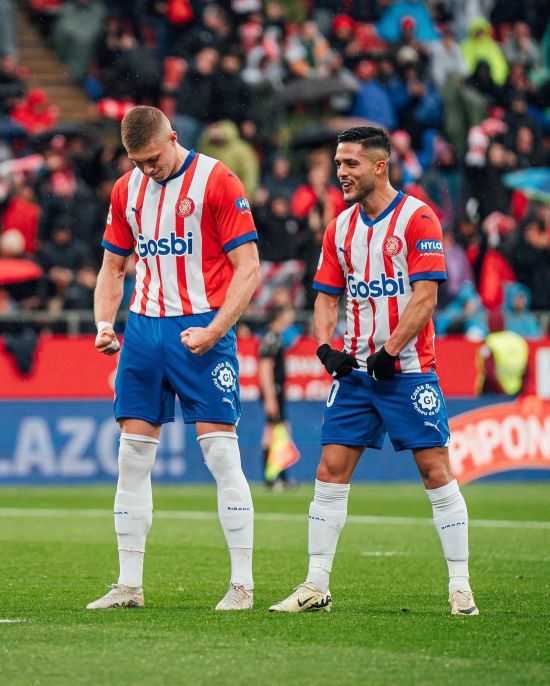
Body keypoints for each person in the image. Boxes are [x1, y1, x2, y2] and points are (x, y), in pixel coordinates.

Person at [269, 127, 478, 616]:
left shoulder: (417, 218)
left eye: (351, 164)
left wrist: (391, 350)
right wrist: (325, 348)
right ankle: (315, 586)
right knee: (329, 470)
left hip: (409, 371)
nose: (341, 172)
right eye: (338, 164)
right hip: (357, 375)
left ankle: (460, 588)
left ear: (379, 166)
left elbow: (425, 297)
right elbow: (326, 297)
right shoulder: (339, 228)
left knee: (435, 471)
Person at [87, 106, 260, 611]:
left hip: (201, 327)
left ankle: (242, 585)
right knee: (131, 457)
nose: (148, 169)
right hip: (143, 331)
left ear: (173, 138)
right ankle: (129, 585)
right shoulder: (127, 190)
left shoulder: (218, 180)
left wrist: (215, 330)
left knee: (221, 454)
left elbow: (248, 267)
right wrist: (104, 323)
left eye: (153, 158)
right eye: (137, 162)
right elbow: (112, 268)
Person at [258, 302, 296, 489]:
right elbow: (265, 368)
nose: (292, 315)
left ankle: (279, 476)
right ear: (279, 315)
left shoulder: (277, 337)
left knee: (280, 432)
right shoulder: (271, 338)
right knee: (273, 433)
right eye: (288, 311)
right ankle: (272, 478)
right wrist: (270, 398)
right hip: (273, 392)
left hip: (277, 392)